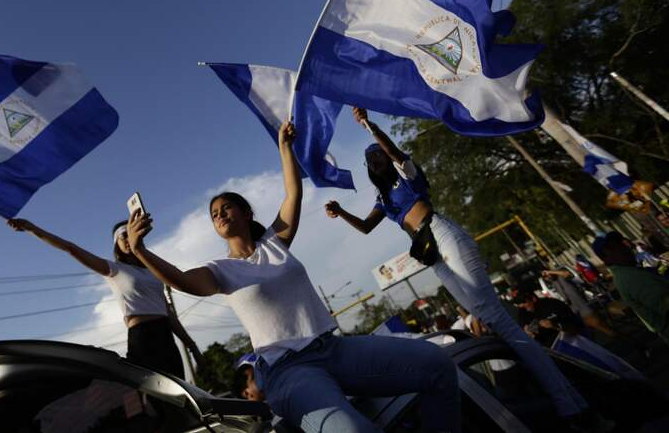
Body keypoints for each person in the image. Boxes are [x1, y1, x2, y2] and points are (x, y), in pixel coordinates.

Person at [125, 121, 460, 433]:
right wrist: (141, 251)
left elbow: (292, 194)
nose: (220, 214)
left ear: (246, 213)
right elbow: (182, 280)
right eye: (214, 214)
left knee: (438, 365)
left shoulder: (275, 242)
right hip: (288, 372)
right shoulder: (219, 270)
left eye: (226, 207)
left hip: (333, 349)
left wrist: (285, 147)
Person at [324, 107, 587, 420]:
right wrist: (341, 212)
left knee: (498, 319)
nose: (374, 160)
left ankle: (569, 401)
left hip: (442, 234)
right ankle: (567, 396)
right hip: (428, 251)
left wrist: (369, 126)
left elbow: (393, 151)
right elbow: (367, 227)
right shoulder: (384, 199)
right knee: (489, 320)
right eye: (369, 159)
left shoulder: (407, 175)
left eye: (377, 154)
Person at [7, 217, 202, 377]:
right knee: (155, 397)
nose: (128, 239)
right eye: (123, 236)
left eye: (130, 234)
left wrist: (192, 346)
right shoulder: (114, 270)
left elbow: (168, 312)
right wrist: (32, 229)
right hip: (142, 337)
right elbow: (70, 248)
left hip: (166, 336)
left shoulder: (153, 272)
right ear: (116, 243)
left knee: (180, 391)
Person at [593, 231, 669, 344]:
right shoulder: (631, 277)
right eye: (614, 248)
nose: (623, 248)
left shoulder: (630, 271)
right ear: (606, 259)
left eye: (620, 244)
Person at [541, 268, 615, 337]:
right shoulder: (554, 283)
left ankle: (614, 335)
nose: (548, 277)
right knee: (592, 328)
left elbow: (566, 273)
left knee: (598, 323)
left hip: (583, 305)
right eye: (545, 277)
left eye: (548, 274)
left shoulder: (561, 276)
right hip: (575, 309)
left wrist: (550, 271)